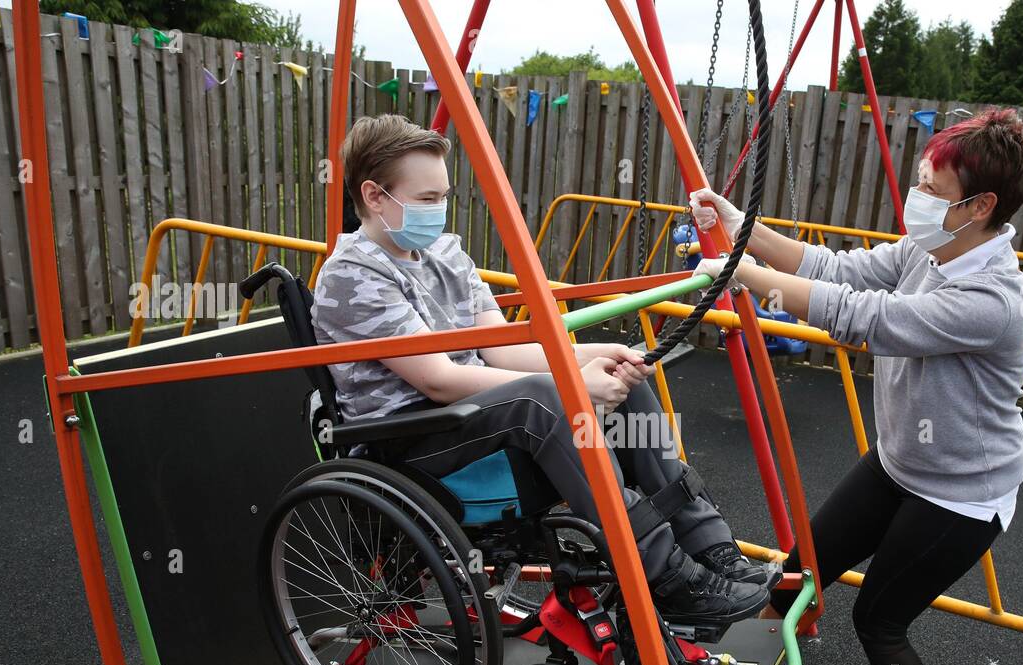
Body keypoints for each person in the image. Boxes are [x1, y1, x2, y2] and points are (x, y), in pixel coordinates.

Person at [689, 107, 1023, 665]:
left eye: (930, 188)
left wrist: (744, 274)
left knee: (879, 619)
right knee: (801, 563)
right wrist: (739, 224)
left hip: (962, 496)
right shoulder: (934, 250)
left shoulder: (990, 298)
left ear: (980, 206)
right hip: (901, 462)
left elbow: (863, 318)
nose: (917, 197)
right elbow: (833, 267)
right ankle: (731, 663)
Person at [310, 114, 777, 626]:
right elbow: (438, 379)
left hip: (474, 416)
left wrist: (591, 358)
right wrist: (571, 386)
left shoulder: (444, 254)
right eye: (425, 200)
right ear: (374, 196)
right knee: (545, 399)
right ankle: (663, 573)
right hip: (410, 436)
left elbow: (505, 350)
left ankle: (708, 546)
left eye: (444, 196)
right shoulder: (353, 274)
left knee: (620, 373)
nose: (439, 211)